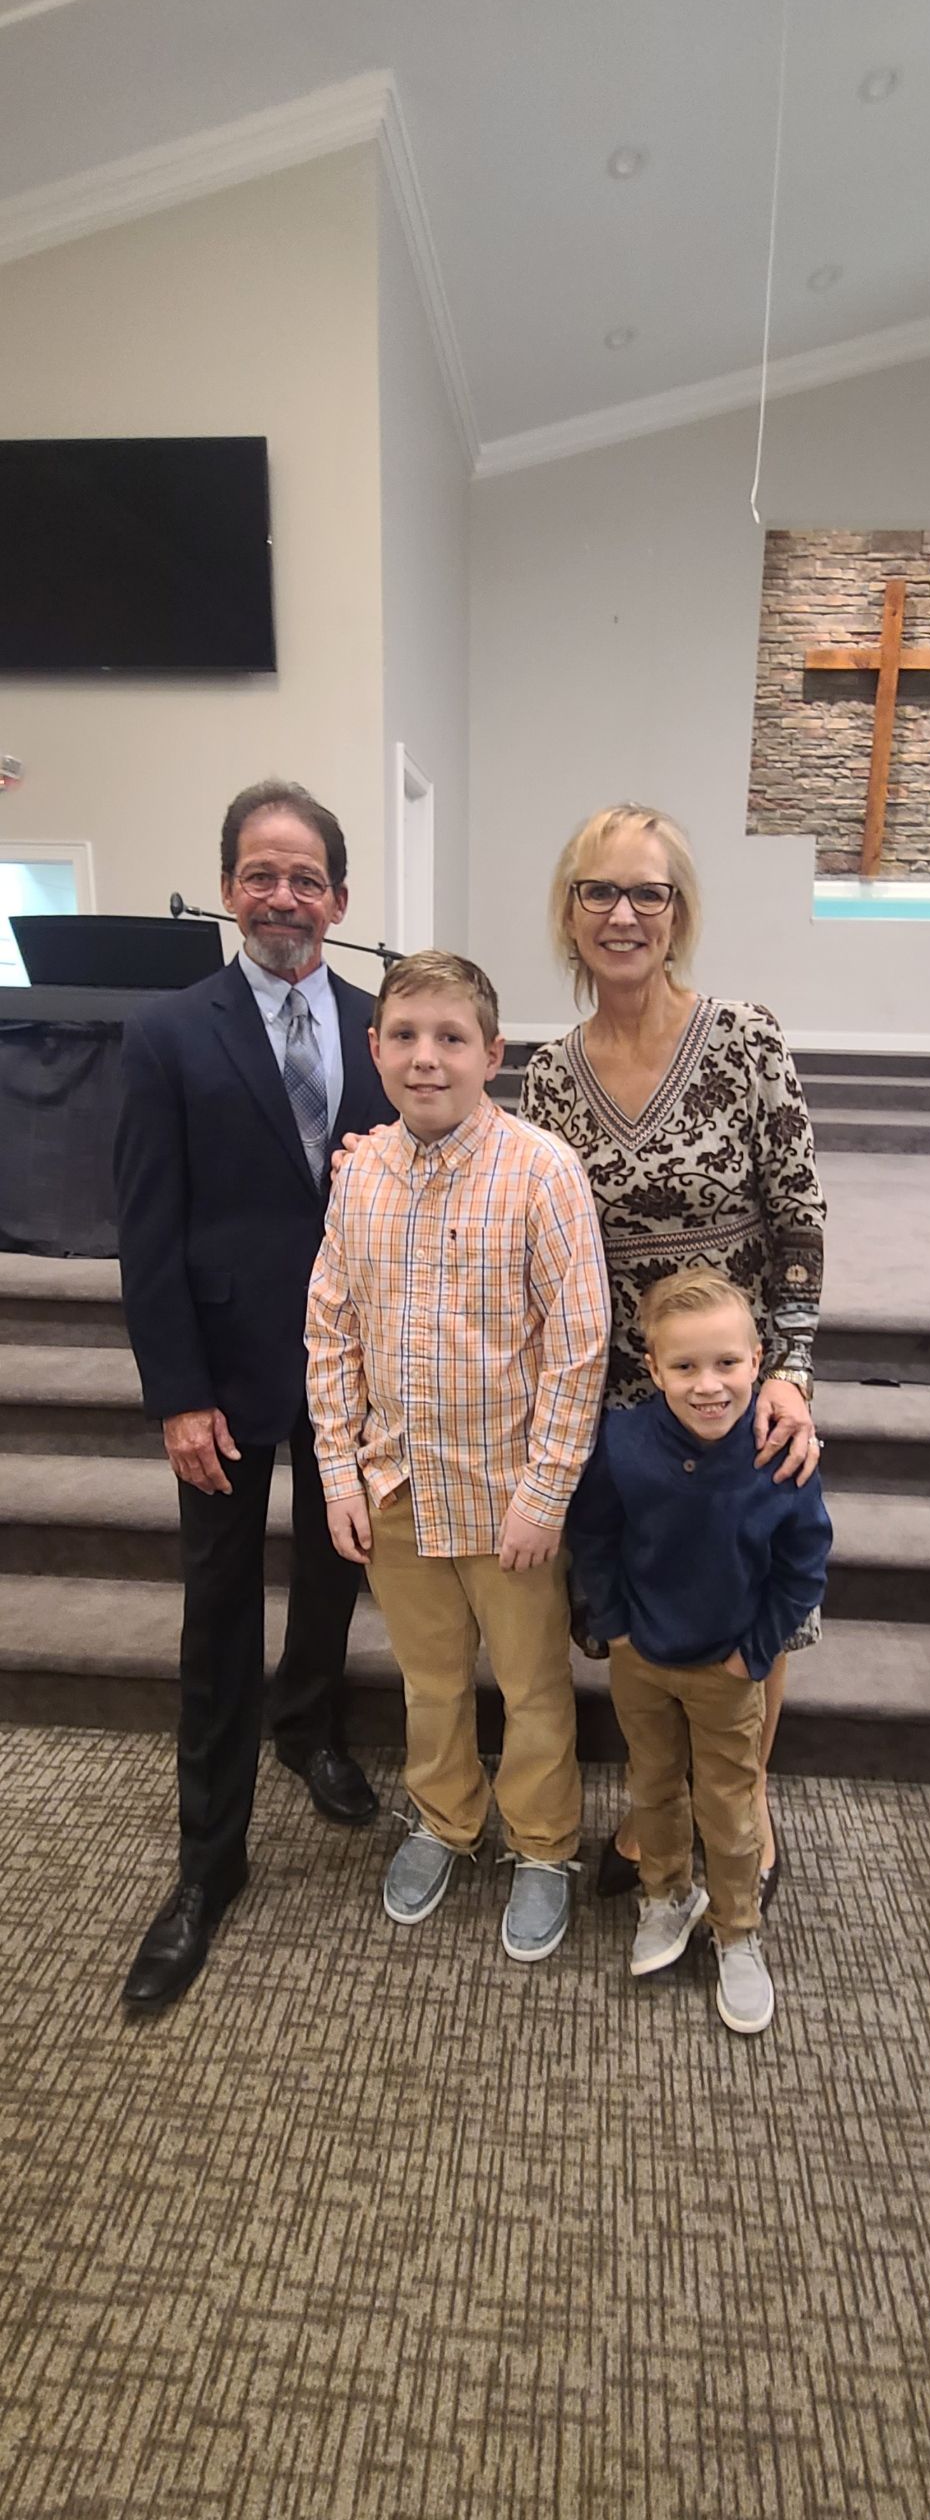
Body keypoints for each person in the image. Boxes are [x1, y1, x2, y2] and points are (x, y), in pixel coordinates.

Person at [114, 779, 396, 2014]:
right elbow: (146, 1227)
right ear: (229, 887)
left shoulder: (389, 1027)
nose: (282, 896)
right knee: (218, 1605)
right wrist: (175, 1393)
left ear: (339, 896)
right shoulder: (168, 1032)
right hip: (222, 1376)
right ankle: (206, 1863)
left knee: (335, 1573)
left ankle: (308, 1726)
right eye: (258, 873)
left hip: (353, 1372)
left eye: (305, 876)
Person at [520, 804, 826, 1906]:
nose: (623, 912)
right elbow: (532, 1226)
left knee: (748, 1588)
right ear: (569, 912)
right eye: (600, 890)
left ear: (678, 912)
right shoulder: (551, 1074)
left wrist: (788, 1371)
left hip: (735, 1383)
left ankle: (740, 1804)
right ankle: (663, 1808)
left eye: (647, 892)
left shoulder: (745, 1037)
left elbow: (799, 1221)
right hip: (621, 1396)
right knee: (653, 1605)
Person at [305, 949, 611, 1965]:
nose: (425, 1058)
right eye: (404, 1036)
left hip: (508, 1494)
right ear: (374, 1049)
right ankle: (446, 1818)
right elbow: (330, 1332)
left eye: (449, 1038)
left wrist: (546, 1491)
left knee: (528, 1687)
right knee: (429, 1682)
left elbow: (577, 1347)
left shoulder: (541, 1171)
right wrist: (340, 1474)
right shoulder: (359, 1175)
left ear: (493, 1053)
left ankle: (543, 1844)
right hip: (398, 1486)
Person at [568, 1267, 831, 2034]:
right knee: (650, 1787)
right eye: (683, 1366)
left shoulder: (778, 1454)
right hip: (641, 1657)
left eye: (726, 1364)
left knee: (728, 1805)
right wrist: (615, 1627)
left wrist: (753, 1654)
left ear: (758, 1360)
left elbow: (803, 1563)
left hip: (727, 1668)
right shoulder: (622, 1443)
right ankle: (665, 1895)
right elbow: (594, 1537)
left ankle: (737, 1930)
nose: (707, 1385)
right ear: (652, 1368)